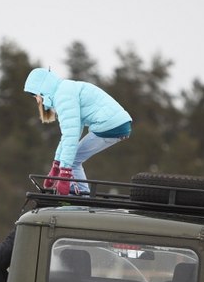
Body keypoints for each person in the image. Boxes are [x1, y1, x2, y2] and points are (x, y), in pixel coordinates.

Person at [24, 67, 132, 195]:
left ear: (42, 90)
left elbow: (71, 136)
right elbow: (68, 136)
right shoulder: (65, 90)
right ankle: (82, 194)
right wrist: (56, 165)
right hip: (116, 124)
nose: (37, 100)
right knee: (73, 157)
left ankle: (82, 196)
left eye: (35, 95)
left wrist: (64, 173)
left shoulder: (63, 96)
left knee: (73, 159)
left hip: (109, 125)